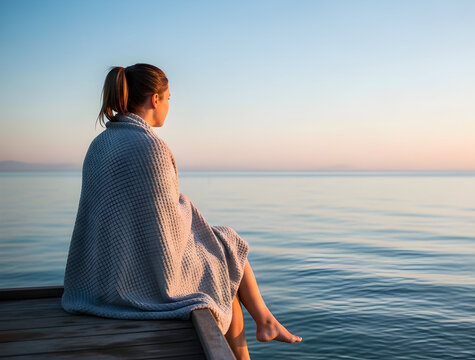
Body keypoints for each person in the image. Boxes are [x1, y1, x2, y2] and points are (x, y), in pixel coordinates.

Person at [61, 63, 301, 359]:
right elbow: (168, 225)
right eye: (169, 98)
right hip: (138, 280)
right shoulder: (150, 147)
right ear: (155, 99)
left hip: (100, 274)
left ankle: (264, 323)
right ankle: (264, 321)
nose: (169, 106)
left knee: (224, 259)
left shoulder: (99, 144)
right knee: (227, 248)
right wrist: (187, 205)